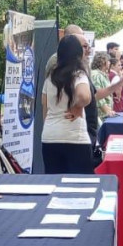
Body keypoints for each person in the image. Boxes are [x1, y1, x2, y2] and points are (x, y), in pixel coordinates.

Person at [41, 35, 95, 173]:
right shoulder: (79, 75)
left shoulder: (50, 77)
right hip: (74, 137)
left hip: (50, 136)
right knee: (79, 186)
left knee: (53, 184)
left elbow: (44, 108)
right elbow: (84, 96)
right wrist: (76, 106)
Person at [90, 52, 117, 118]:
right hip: (100, 116)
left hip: (104, 114)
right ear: (103, 61)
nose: (109, 63)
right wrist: (107, 110)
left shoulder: (102, 74)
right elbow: (97, 95)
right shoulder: (96, 75)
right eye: (108, 61)